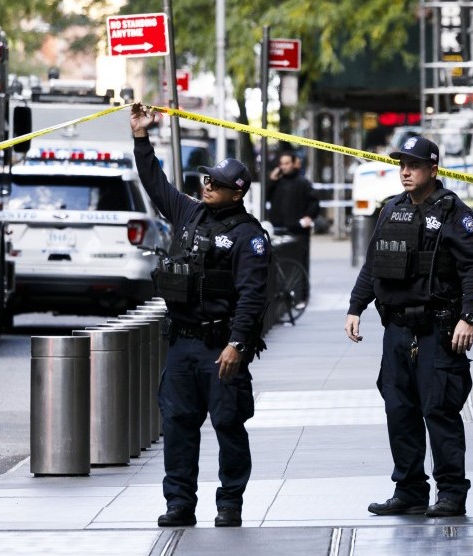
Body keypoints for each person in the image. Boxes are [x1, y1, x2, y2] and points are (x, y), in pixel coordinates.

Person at [130, 104, 271, 528]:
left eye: (219, 183)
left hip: (221, 346)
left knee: (229, 426)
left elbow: (252, 297)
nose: (208, 185)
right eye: (208, 179)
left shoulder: (250, 237)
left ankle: (230, 503)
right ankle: (179, 504)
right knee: (177, 426)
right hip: (183, 344)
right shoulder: (189, 213)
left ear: (238, 192)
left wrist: (237, 345)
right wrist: (141, 137)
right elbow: (156, 182)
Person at [344, 135, 473, 518]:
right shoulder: (392, 210)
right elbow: (374, 263)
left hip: (438, 329)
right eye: (402, 165)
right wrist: (356, 306)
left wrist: (468, 316)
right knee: (399, 410)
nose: (405, 172)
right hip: (397, 330)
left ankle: (451, 493)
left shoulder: (456, 213)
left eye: (414, 165)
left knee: (439, 411)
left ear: (433, 169)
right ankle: (409, 491)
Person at [265, 151, 320, 271]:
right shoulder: (277, 182)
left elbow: (314, 203)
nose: (284, 166)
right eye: (282, 164)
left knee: (299, 265)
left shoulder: (303, 182)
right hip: (278, 230)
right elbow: (265, 196)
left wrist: (308, 217)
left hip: (297, 231)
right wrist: (272, 180)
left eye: (287, 163)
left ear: (294, 164)